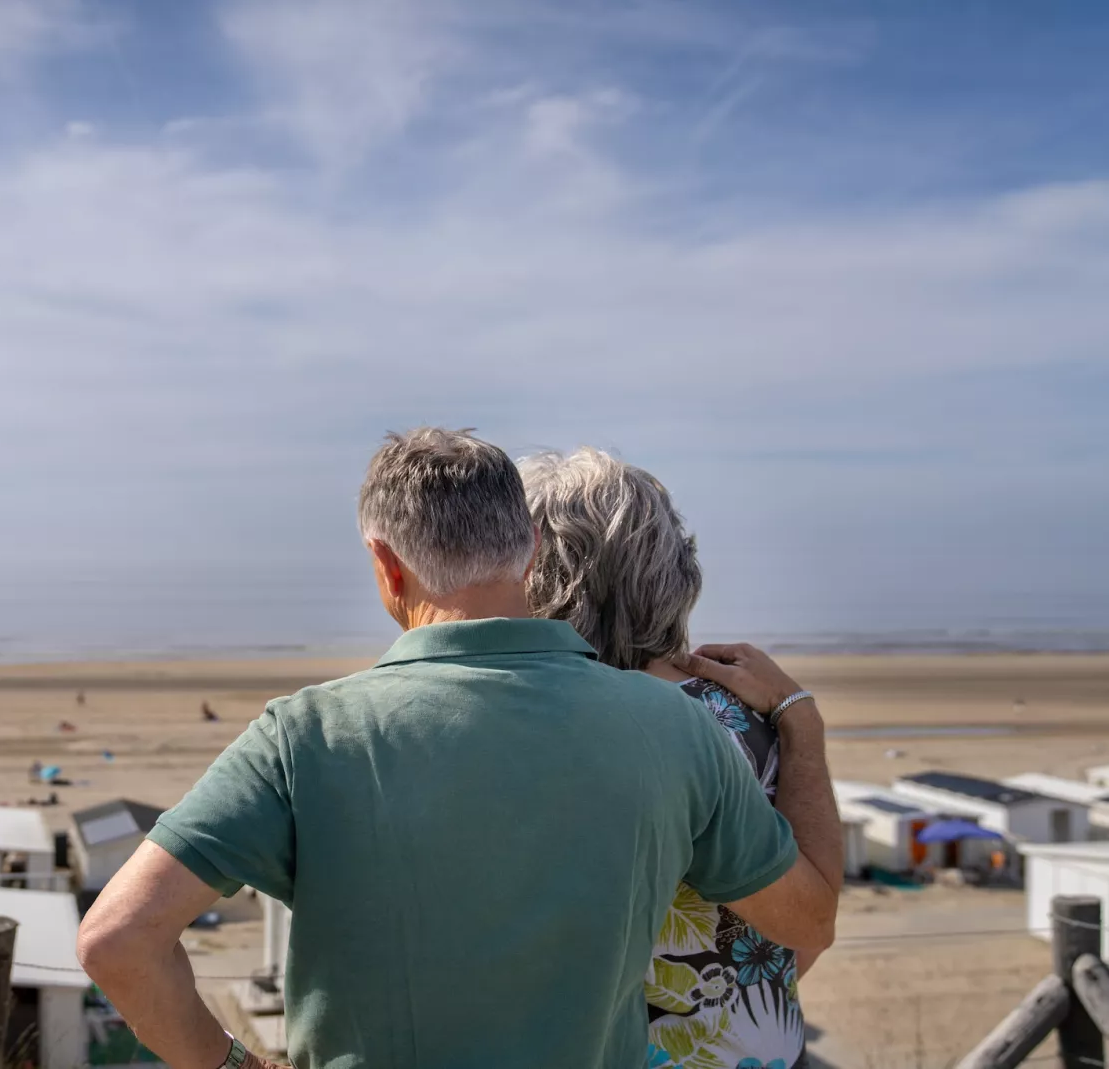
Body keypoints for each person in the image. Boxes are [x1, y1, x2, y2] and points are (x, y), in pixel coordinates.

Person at [78, 428, 838, 1069]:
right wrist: (800, 722)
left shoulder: (304, 734)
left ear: (386, 564)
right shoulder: (676, 725)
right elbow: (805, 925)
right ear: (528, 550)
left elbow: (118, 939)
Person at [519, 446, 844, 1069]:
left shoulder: (512, 721)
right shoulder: (733, 722)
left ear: (529, 570)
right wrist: (800, 721)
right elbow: (805, 933)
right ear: (674, 571)